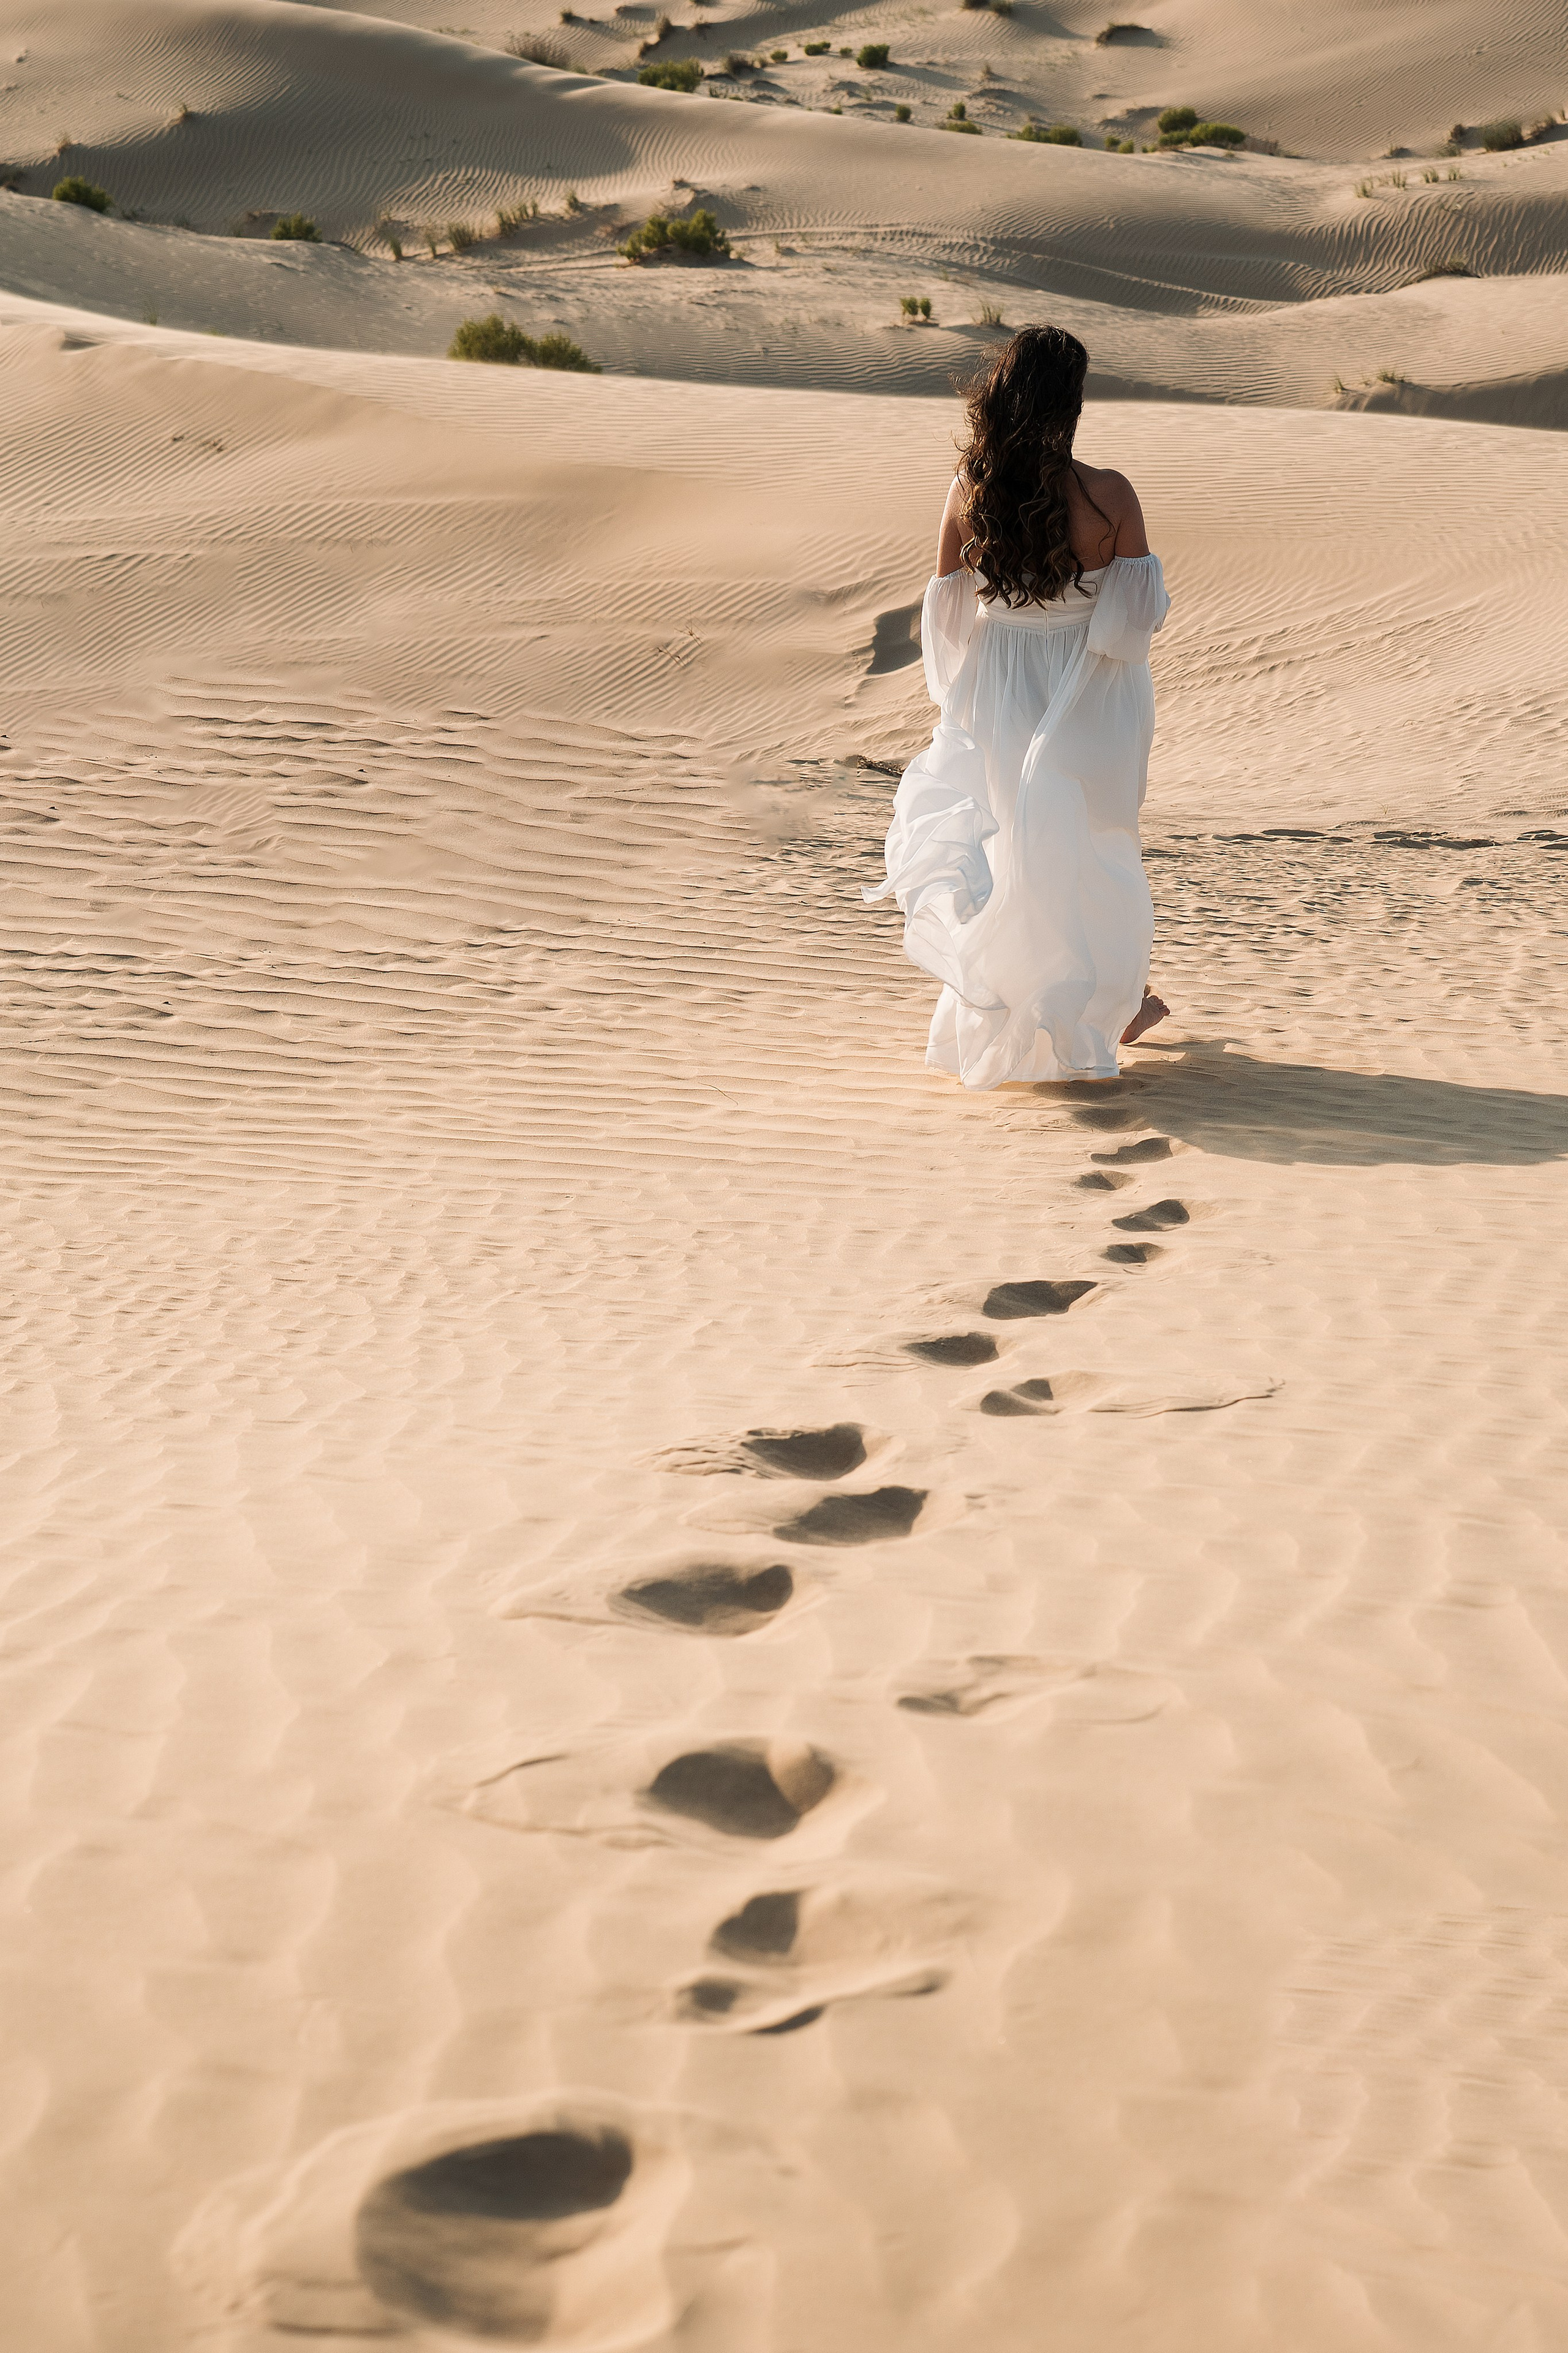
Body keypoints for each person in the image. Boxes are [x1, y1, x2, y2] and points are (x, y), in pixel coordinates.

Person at [864, 325, 1170, 1089]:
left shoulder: (969, 492)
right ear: (1069, 404)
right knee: (1093, 844)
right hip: (1089, 685)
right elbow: (1131, 627)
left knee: (1010, 845)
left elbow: (946, 614)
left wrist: (966, 696)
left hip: (996, 683)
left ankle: (1051, 1003)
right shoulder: (1109, 494)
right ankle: (1111, 1005)